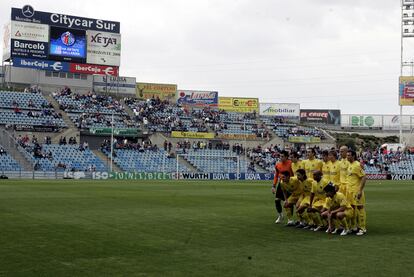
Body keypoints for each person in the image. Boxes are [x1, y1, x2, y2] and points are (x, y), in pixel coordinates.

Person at [347, 150, 367, 236]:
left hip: (356, 191)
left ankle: (362, 228)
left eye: (349, 155)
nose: (347, 157)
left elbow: (364, 177)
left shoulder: (357, 165)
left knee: (360, 209)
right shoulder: (350, 165)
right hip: (350, 191)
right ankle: (354, 226)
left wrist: (360, 191)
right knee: (352, 209)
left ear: (353, 156)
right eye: (347, 155)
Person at [272, 151, 293, 224]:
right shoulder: (278, 165)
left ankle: (290, 219)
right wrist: (274, 186)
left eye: (282, 156)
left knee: (289, 202)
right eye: (280, 156)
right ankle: (280, 215)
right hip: (281, 184)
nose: (281, 158)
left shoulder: (291, 163)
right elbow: (276, 175)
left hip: (290, 184)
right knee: (277, 200)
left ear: (287, 157)